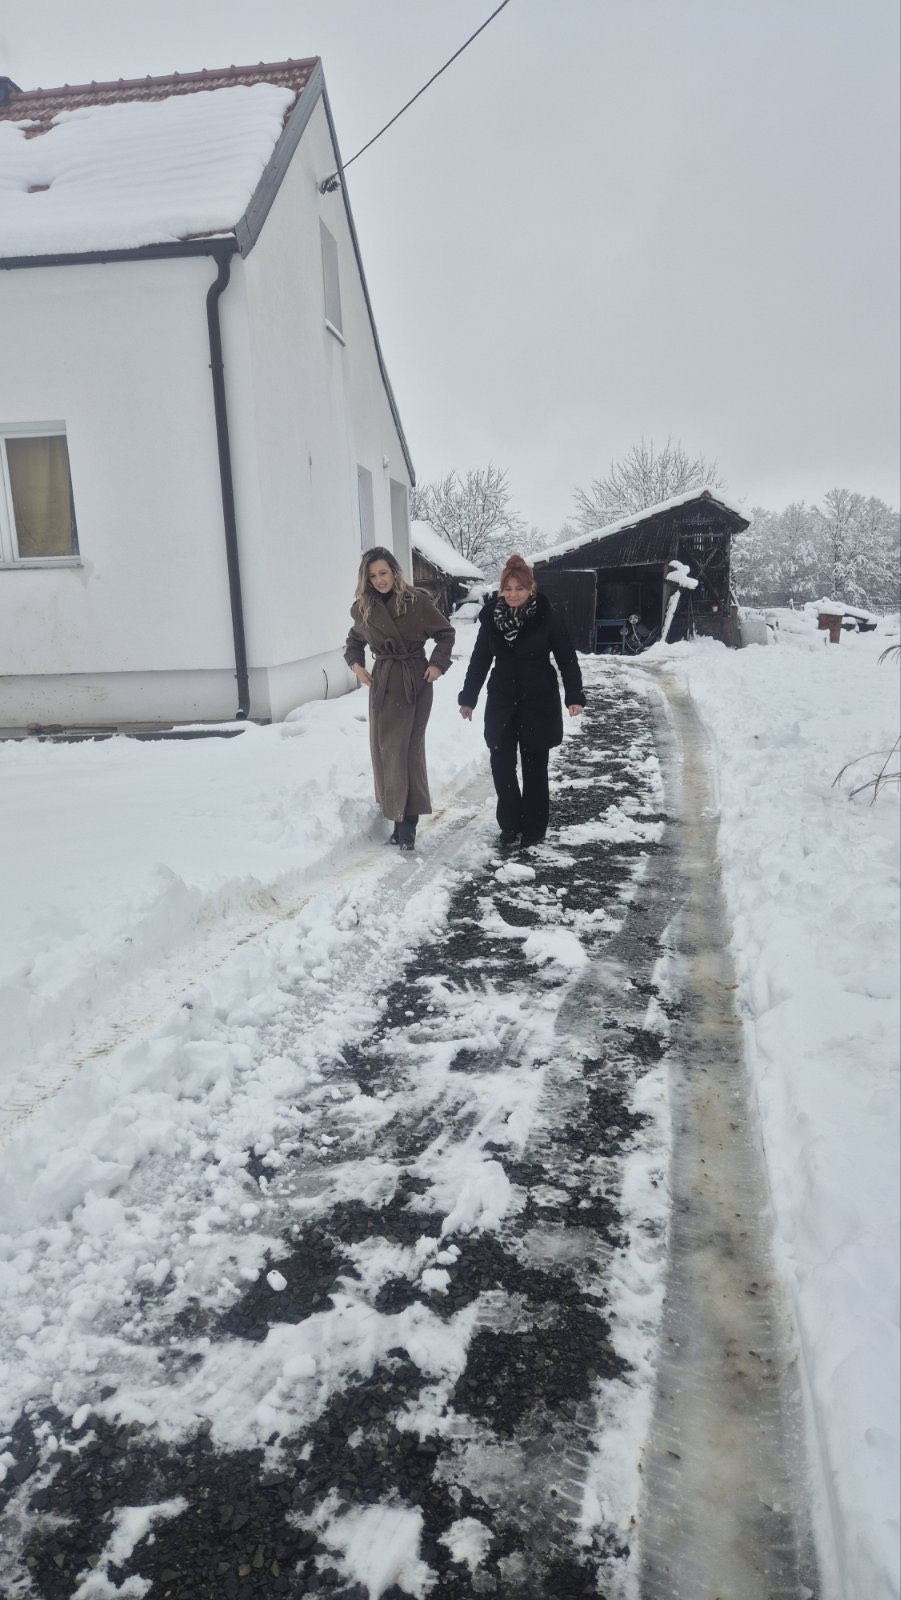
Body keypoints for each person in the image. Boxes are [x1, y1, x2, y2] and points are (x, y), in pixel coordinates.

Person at [458, 553, 585, 848]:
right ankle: (510, 823)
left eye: (519, 588)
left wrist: (574, 696)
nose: (513, 594)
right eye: (508, 588)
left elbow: (567, 659)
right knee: (501, 766)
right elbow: (479, 661)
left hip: (538, 702)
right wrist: (468, 698)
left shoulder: (547, 617)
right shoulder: (491, 620)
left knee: (534, 768)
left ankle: (534, 827)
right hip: (501, 702)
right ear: (501, 590)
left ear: (531, 589)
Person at [345, 546, 455, 851]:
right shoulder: (364, 608)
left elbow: (445, 634)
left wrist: (437, 665)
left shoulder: (417, 602)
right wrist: (357, 666)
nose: (379, 580)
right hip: (383, 684)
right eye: (372, 576)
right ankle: (397, 816)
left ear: (394, 571)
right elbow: (353, 641)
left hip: (414, 681)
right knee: (387, 752)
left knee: (407, 751)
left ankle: (408, 824)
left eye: (383, 572)